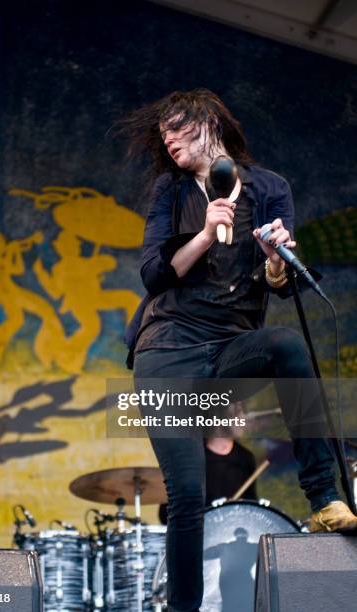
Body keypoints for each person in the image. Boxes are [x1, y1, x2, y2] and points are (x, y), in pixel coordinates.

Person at [120, 89, 357, 612]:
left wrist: (276, 259)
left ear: (208, 123)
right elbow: (155, 274)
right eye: (164, 134)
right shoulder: (171, 190)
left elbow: (280, 284)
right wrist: (205, 233)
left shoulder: (271, 188)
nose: (169, 139)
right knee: (187, 496)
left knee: (287, 345)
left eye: (177, 128)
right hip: (169, 352)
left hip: (231, 347)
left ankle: (324, 497)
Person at [159, 436, 258, 524]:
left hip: (231, 535)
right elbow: (166, 514)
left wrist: (240, 508)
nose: (242, 417)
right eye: (234, 414)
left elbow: (252, 506)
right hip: (196, 536)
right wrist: (210, 512)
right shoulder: (187, 457)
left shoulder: (246, 458)